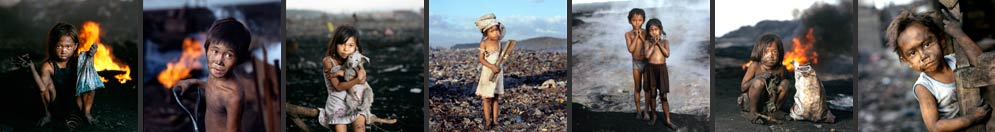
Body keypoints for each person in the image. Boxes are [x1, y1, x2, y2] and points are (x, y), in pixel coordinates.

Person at [885, 10, 990, 132]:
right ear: (907, 61)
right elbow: (934, 126)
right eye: (913, 53)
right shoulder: (924, 87)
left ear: (941, 41)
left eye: (927, 44)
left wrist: (958, 34)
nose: (923, 56)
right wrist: (973, 118)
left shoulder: (957, 61)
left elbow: (983, 64)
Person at [174, 18, 252, 132]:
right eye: (215, 51)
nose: (219, 61)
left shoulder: (233, 96)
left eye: (229, 55)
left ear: (239, 59)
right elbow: (215, 90)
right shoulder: (216, 76)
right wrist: (195, 82)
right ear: (206, 49)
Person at [25, 22, 79, 126]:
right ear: (53, 45)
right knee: (47, 83)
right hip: (55, 104)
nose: (63, 50)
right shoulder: (48, 66)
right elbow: (41, 89)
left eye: (68, 46)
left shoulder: (78, 62)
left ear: (75, 46)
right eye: (59, 46)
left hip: (74, 106)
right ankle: (47, 115)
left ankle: (86, 114)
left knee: (87, 79)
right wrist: (31, 68)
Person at [739, 34, 791, 124]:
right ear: (759, 52)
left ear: (780, 53)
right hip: (753, 102)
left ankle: (774, 111)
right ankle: (753, 112)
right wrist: (759, 76)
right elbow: (743, 87)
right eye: (766, 52)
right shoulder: (755, 66)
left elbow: (781, 89)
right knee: (759, 82)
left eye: (774, 52)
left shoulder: (781, 69)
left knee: (786, 83)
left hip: (770, 102)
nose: (771, 56)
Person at [474, 13, 506, 129]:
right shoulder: (484, 43)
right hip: (488, 73)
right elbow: (481, 59)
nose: (496, 33)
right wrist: (491, 66)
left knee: (496, 97)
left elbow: (501, 58)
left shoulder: (499, 43)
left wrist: (501, 61)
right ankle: (488, 121)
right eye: (492, 31)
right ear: (486, 32)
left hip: (498, 72)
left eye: (497, 30)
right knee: (487, 98)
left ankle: (496, 121)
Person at [624, 8, 649, 120]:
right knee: (637, 87)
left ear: (643, 21)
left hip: (647, 63)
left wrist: (642, 37)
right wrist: (636, 37)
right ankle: (639, 111)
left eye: (639, 20)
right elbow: (631, 49)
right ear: (630, 21)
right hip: (636, 63)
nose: (637, 23)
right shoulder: (628, 34)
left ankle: (646, 112)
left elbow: (648, 47)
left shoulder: (647, 33)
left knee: (647, 88)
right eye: (634, 20)